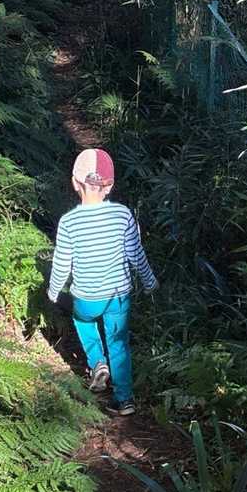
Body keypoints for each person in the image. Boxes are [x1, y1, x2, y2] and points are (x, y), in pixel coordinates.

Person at [47, 148, 157, 416]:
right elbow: (135, 254)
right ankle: (125, 400)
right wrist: (149, 280)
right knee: (118, 343)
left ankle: (98, 362)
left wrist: (53, 290)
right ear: (109, 186)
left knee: (83, 321)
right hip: (118, 295)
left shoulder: (69, 222)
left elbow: (62, 263)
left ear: (75, 183)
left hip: (86, 296)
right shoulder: (122, 215)